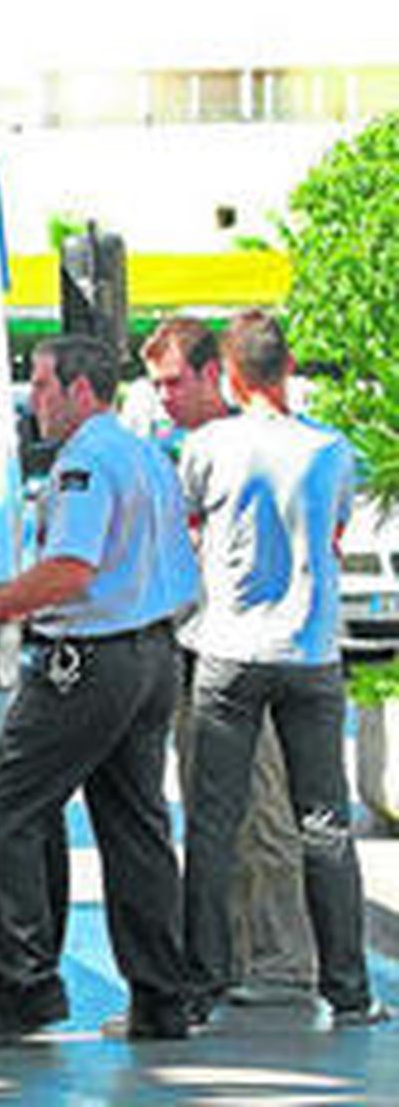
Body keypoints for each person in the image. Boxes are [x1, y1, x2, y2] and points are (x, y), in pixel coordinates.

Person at [0, 335, 197, 1041]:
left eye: (41, 386)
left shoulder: (86, 463)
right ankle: (162, 998)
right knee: (136, 827)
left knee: (3, 807)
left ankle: (27, 985)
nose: (30, 401)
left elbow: (70, 570)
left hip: (91, 659)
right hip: (154, 652)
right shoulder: (143, 454)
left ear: (82, 391)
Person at [180, 310, 386, 1027]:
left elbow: (192, 529)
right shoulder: (333, 452)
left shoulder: (208, 444)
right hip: (310, 655)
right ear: (289, 365)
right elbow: (329, 535)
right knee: (325, 824)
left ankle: (200, 986)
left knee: (211, 825)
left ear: (231, 376)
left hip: (229, 654)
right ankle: (348, 989)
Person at [136, 318, 316, 1005]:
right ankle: (228, 957)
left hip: (250, 650)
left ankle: (277, 961)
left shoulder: (252, 446)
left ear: (217, 374)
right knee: (213, 813)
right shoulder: (180, 449)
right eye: (156, 385)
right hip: (194, 652)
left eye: (175, 381)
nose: (165, 397)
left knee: (261, 808)